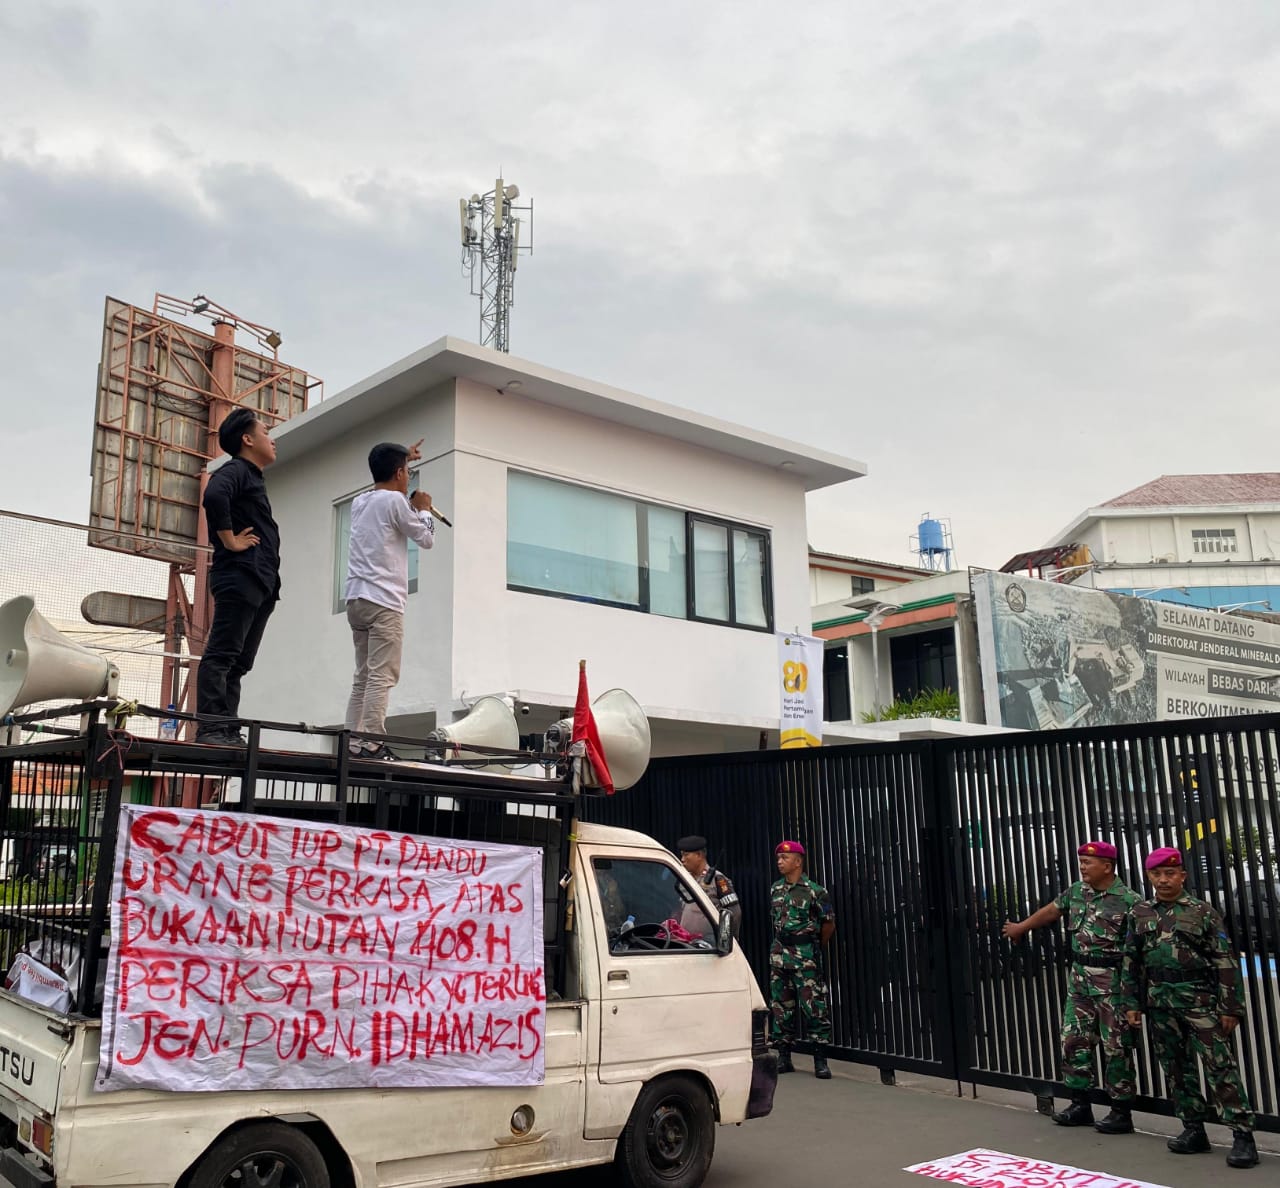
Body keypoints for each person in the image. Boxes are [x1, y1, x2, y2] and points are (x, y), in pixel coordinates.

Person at [1119, 847, 1258, 1169]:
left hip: (1199, 1001)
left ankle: (1242, 1134)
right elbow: (1131, 961)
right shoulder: (1140, 912)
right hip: (1159, 1002)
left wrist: (1230, 1006)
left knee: (1219, 1066)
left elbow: (1224, 959)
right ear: (1149, 876)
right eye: (1157, 874)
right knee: (1177, 1069)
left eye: (1170, 873)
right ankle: (1193, 1128)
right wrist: (1131, 1003)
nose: (1164, 880)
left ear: (1182, 875)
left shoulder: (1202, 912)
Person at [1002, 840, 1140, 1134]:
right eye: (1081, 861)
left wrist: (1135, 997)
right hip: (1079, 981)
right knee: (1073, 1040)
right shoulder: (1077, 892)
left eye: (1088, 862)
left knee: (1116, 1047)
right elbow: (1052, 910)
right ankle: (1080, 1104)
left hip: (1112, 983)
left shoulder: (1129, 901)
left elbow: (1139, 951)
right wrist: (1022, 927)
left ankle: (1120, 1111)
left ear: (1107, 866)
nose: (1082, 867)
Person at [343, 440, 435, 760]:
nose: (409, 477)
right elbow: (426, 538)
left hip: (356, 598)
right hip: (384, 601)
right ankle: (370, 743)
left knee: (363, 677)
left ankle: (352, 741)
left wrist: (404, 456)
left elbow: (390, 506)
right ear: (398, 473)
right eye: (408, 471)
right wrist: (423, 508)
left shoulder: (360, 501)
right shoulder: (396, 501)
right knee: (382, 675)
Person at [196, 408, 280, 745]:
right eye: (264, 431)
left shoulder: (252, 476)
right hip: (241, 575)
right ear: (247, 439)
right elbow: (214, 496)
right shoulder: (237, 470)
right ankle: (212, 728)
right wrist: (230, 539)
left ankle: (226, 728)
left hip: (259, 581)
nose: (271, 439)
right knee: (223, 653)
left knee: (239, 661)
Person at [769, 840, 835, 1079]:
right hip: (779, 957)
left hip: (805, 958)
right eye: (778, 858)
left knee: (813, 1008)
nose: (779, 862)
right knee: (780, 1007)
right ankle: (784, 1057)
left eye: (784, 858)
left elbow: (828, 924)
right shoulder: (776, 889)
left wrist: (814, 947)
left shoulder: (815, 891)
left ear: (798, 861)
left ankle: (820, 1060)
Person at [676, 835, 741, 939]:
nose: (682, 859)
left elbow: (734, 912)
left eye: (686, 855)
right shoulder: (685, 880)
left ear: (698, 855)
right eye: (682, 855)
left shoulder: (718, 879)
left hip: (709, 946)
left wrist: (725, 939)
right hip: (687, 944)